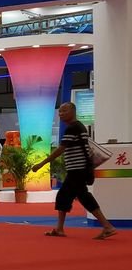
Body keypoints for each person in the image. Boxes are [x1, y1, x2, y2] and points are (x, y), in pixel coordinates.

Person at [32, 102, 117, 240]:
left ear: (73, 111)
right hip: (78, 169)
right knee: (68, 196)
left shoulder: (72, 128)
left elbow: (61, 149)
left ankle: (107, 227)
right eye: (59, 111)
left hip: (77, 170)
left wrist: (42, 164)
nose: (61, 114)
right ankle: (60, 228)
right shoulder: (79, 127)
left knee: (79, 197)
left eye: (64, 111)